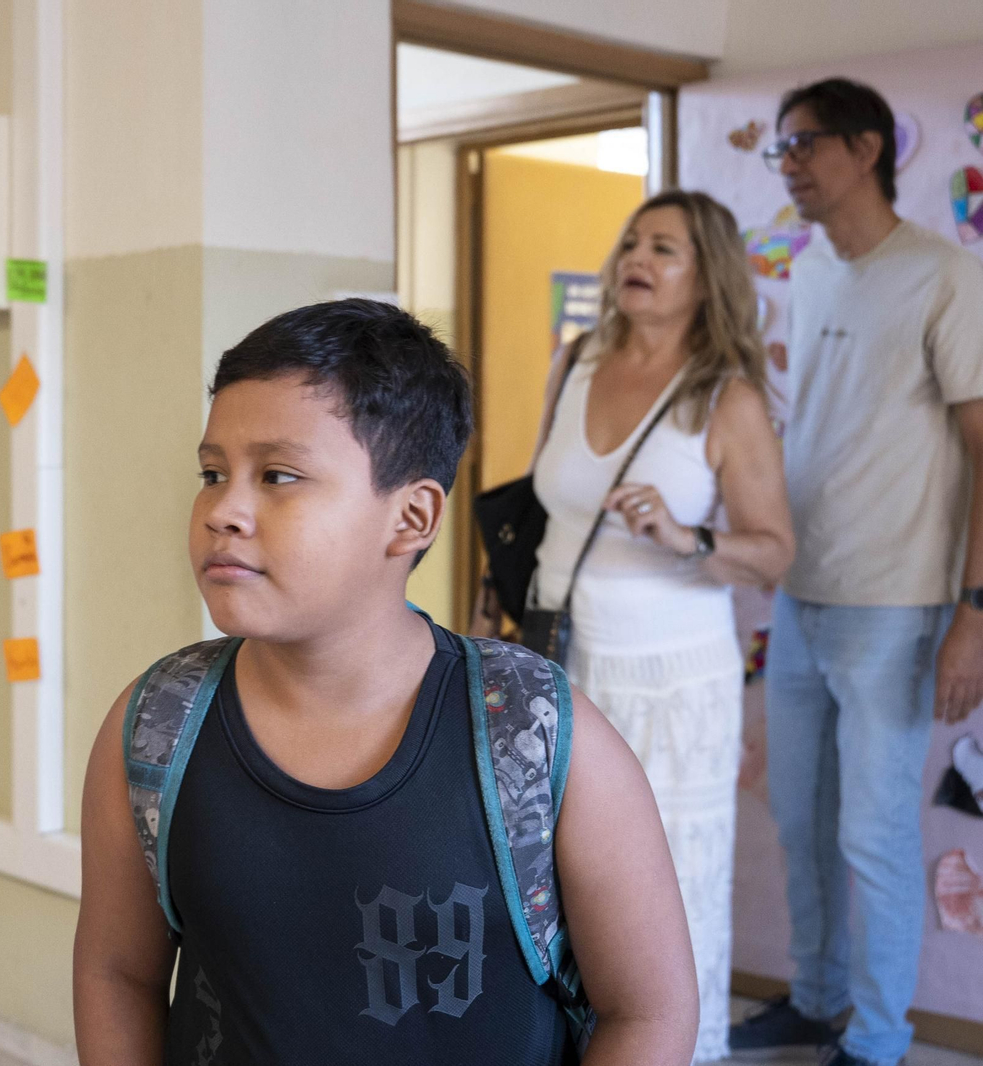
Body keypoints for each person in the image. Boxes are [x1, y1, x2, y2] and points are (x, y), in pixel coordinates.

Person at [74, 299, 699, 1065]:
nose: (223, 510)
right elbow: (117, 972)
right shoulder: (155, 726)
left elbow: (649, 1011)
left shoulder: (531, 732)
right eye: (212, 473)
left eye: (278, 475)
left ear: (410, 519)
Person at [475, 190, 794, 1062]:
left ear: (707, 278)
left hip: (672, 679)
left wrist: (684, 537)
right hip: (561, 666)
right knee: (548, 876)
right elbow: (537, 505)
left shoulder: (724, 398)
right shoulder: (575, 359)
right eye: (631, 244)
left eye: (664, 249)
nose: (637, 261)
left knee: (671, 886)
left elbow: (773, 554)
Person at [727, 78, 983, 1066]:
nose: (787, 164)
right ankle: (816, 994)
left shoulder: (944, 274)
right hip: (800, 594)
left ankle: (876, 1040)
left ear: (867, 148)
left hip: (900, 606)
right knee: (800, 817)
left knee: (872, 836)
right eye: (776, 150)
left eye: (803, 145)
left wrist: (973, 609)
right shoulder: (815, 269)